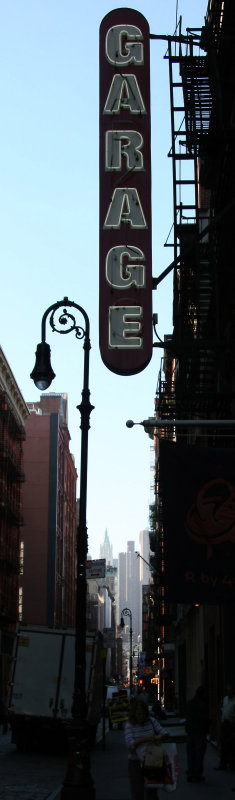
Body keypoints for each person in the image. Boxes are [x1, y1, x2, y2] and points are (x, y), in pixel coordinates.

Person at [125, 696, 168, 800]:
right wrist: (146, 738)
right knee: (137, 791)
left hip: (152, 758)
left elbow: (165, 733)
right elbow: (130, 744)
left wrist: (159, 737)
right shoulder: (130, 725)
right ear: (134, 714)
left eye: (143, 714)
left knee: (152, 791)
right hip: (135, 761)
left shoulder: (151, 721)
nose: (141, 716)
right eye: (139, 714)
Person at [185, 686, 210, 783]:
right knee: (199, 753)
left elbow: (187, 716)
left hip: (191, 731)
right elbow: (206, 719)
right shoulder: (203, 705)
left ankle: (191, 772)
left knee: (191, 753)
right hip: (200, 732)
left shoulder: (190, 703)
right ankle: (197, 773)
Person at [215, 683, 235, 770]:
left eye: (230, 690)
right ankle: (223, 764)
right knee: (223, 745)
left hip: (232, 725)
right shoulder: (225, 699)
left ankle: (232, 764)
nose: (228, 692)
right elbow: (222, 709)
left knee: (231, 745)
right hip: (224, 724)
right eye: (227, 690)